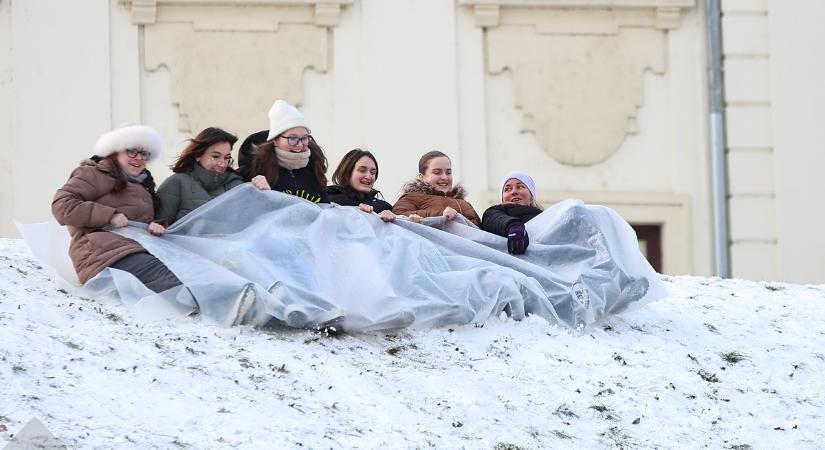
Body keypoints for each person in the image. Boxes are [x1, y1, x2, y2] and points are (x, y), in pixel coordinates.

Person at [52, 125, 182, 293]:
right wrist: (109, 215)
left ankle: (216, 304)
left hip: (135, 248)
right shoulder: (93, 174)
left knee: (185, 269)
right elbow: (62, 205)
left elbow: (137, 220)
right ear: (115, 151)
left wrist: (155, 224)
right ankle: (213, 307)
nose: (138, 158)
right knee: (169, 277)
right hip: (101, 253)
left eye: (144, 154)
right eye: (131, 152)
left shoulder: (143, 185)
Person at [243, 100, 329, 203]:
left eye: (305, 138)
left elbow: (323, 202)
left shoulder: (314, 163)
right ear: (275, 139)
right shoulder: (255, 167)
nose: (300, 144)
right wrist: (263, 194)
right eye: (293, 138)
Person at [156, 127, 245, 225]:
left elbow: (251, 225)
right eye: (215, 156)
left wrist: (263, 190)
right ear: (198, 155)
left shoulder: (238, 186)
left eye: (227, 158)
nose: (222, 163)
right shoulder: (176, 183)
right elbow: (160, 225)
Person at [392, 151, 481, 226]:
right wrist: (441, 214)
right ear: (421, 177)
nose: (445, 177)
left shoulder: (464, 204)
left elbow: (479, 230)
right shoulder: (412, 197)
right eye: (437, 172)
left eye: (448, 172)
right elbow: (398, 215)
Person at [326, 149, 395, 222]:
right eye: (362, 170)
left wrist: (389, 217)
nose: (368, 177)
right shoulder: (326, 199)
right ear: (347, 172)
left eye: (373, 172)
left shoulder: (383, 207)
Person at [481, 172, 541, 255]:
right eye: (507, 189)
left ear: (531, 195)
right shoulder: (494, 212)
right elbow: (492, 219)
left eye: (520, 187)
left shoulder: (545, 217)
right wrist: (513, 226)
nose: (514, 192)